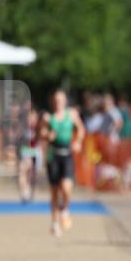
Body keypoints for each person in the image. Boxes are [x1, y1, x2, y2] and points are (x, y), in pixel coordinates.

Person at [39, 89, 86, 237]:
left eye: (61, 100)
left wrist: (78, 141)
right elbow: (42, 134)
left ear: (65, 101)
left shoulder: (71, 115)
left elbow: (81, 129)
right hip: (53, 155)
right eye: (56, 100)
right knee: (54, 192)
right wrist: (48, 135)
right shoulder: (48, 117)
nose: (58, 103)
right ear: (53, 102)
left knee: (66, 188)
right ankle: (54, 223)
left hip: (67, 155)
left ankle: (65, 209)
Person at [16, 102, 42, 203]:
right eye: (29, 116)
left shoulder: (39, 127)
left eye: (33, 116)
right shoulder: (22, 127)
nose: (31, 119)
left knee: (33, 174)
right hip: (26, 152)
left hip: (36, 152)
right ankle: (25, 192)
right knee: (22, 171)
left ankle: (30, 191)